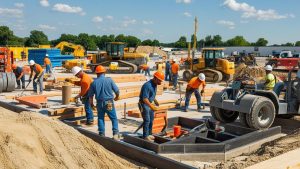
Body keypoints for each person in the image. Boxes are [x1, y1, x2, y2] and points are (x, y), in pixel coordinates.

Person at [88, 65, 120, 140]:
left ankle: (101, 134)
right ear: (104, 73)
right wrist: (117, 97)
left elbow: (90, 96)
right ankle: (115, 134)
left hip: (99, 103)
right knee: (114, 118)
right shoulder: (109, 80)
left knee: (100, 118)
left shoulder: (94, 83)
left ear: (97, 73)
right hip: (109, 102)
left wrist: (91, 104)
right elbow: (117, 91)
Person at [139, 71, 164, 141]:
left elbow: (151, 94)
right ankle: (145, 136)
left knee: (151, 120)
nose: (160, 82)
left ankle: (149, 134)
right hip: (144, 104)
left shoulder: (155, 84)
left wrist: (155, 100)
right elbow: (144, 99)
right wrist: (151, 106)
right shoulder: (147, 85)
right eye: (160, 80)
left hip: (149, 103)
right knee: (147, 120)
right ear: (155, 78)